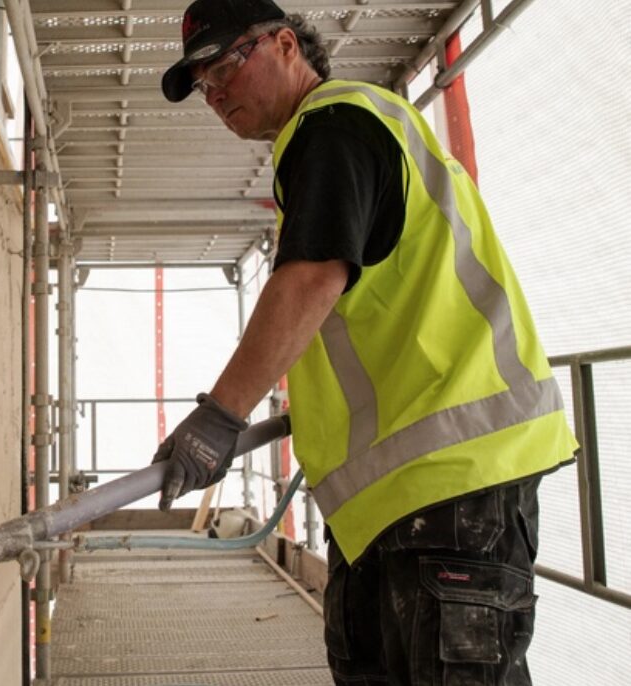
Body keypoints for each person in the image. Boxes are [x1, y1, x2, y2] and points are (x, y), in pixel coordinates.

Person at [151, 0, 578, 683]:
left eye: (222, 64)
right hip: (398, 496)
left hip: (451, 481)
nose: (214, 91)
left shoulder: (335, 125)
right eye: (201, 83)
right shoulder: (344, 133)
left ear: (286, 44)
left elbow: (312, 278)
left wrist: (220, 417)